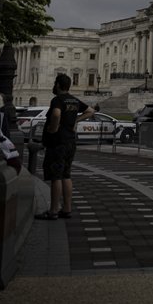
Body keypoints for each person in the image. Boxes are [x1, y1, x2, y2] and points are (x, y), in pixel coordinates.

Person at [36, 73, 95, 220]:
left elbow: (56, 114)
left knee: (56, 176)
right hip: (70, 142)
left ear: (57, 85)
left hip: (57, 142)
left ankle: (53, 210)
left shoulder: (58, 100)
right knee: (66, 175)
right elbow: (91, 111)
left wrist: (53, 128)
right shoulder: (74, 100)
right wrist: (76, 120)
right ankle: (67, 208)